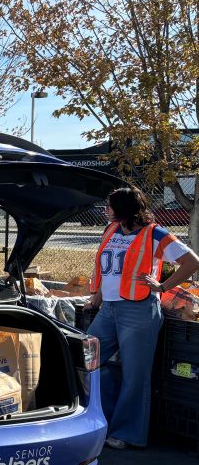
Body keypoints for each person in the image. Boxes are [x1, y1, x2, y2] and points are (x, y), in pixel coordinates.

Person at [87, 187, 199, 449]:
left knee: (135, 375)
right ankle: (97, 420)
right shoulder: (110, 230)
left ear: (125, 208)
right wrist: (97, 297)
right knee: (87, 362)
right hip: (109, 310)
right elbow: (107, 270)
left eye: (110, 205)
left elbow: (192, 262)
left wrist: (162, 286)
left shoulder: (155, 234)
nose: (105, 210)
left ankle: (126, 434)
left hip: (139, 310)